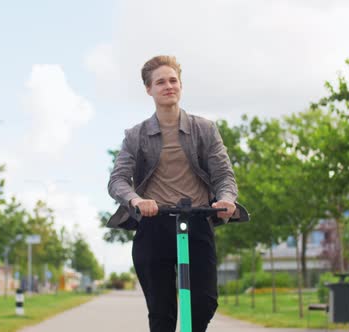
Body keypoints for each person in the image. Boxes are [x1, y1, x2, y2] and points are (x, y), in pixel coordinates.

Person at [107, 55, 249, 332]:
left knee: (205, 302)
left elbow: (224, 176)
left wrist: (227, 199)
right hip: (154, 224)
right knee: (161, 314)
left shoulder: (204, 129)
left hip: (195, 221)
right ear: (149, 89)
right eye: (160, 82)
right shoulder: (136, 136)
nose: (168, 86)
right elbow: (118, 180)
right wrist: (136, 200)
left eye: (173, 80)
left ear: (181, 85)